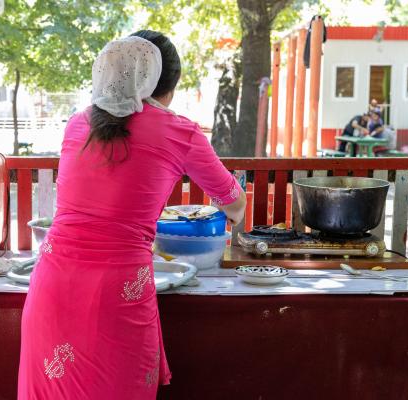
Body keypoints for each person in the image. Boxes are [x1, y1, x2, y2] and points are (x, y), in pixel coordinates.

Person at [17, 31, 246, 399]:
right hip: (117, 295)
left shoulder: (78, 123)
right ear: (165, 85)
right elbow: (234, 203)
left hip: (52, 288)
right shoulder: (181, 132)